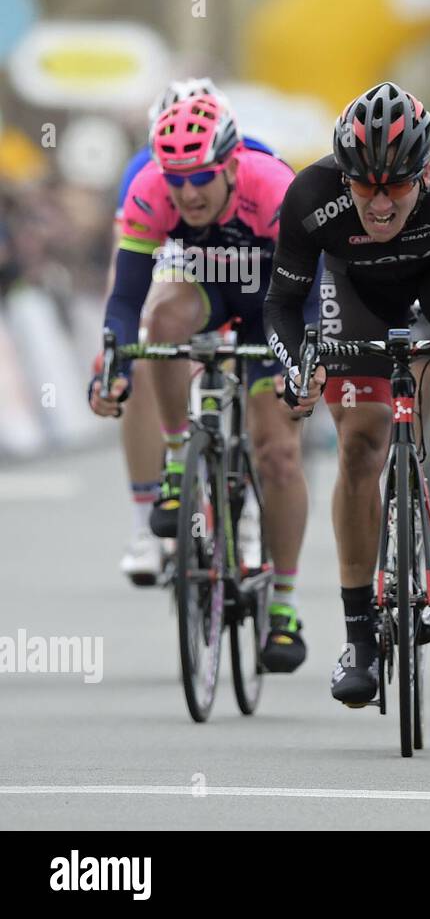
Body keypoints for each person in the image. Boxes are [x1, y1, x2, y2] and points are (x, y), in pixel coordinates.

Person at [264, 82, 430, 705]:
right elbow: (280, 306)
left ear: (426, 170)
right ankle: (359, 639)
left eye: (397, 185)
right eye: (364, 185)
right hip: (355, 293)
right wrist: (298, 367)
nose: (379, 203)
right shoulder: (311, 195)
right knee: (359, 446)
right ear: (343, 177)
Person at [90, 93, 310, 672]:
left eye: (202, 178)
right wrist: (112, 363)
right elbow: (125, 299)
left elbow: (308, 298)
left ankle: (283, 606)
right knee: (159, 324)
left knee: (279, 453)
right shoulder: (149, 189)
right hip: (201, 288)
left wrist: (301, 366)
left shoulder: (274, 187)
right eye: (177, 179)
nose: (188, 193)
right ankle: (175, 459)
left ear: (231, 166)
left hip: (273, 302)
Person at [113, 77, 279, 586]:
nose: (186, 185)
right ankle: (160, 496)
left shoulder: (264, 171)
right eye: (172, 167)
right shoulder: (143, 176)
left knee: (265, 403)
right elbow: (126, 275)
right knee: (151, 347)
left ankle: (248, 509)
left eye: (200, 171)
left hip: (258, 280)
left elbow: (301, 275)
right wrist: (116, 350)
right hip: (188, 273)